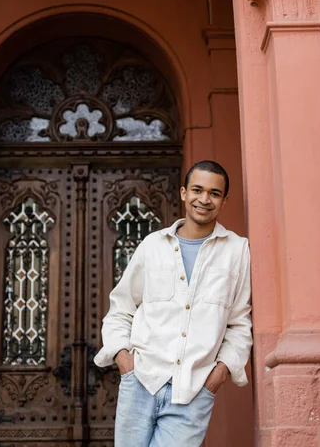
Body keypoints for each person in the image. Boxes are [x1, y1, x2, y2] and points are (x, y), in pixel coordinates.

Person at [94, 160, 252, 447]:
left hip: (193, 391)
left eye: (214, 193)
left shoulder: (237, 251)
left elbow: (240, 324)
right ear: (183, 193)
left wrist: (217, 376)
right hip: (141, 381)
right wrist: (123, 361)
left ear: (224, 200)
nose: (204, 199)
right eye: (197, 190)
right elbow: (121, 309)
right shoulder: (152, 246)